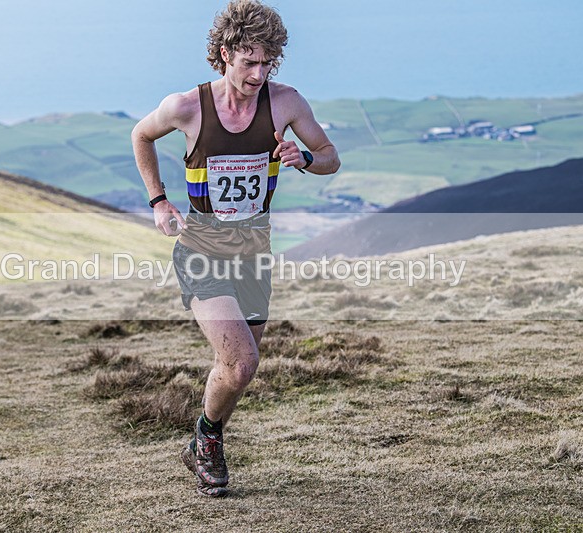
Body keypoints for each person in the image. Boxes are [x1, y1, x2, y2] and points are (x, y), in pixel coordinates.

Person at [131, 0, 339, 497]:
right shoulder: (187, 106)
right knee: (243, 362)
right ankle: (208, 442)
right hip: (201, 247)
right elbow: (141, 135)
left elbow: (330, 158)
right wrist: (159, 202)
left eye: (268, 63)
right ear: (225, 54)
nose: (259, 73)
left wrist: (303, 157)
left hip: (255, 253)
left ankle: (204, 435)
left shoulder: (285, 103)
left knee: (236, 370)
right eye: (250, 61)